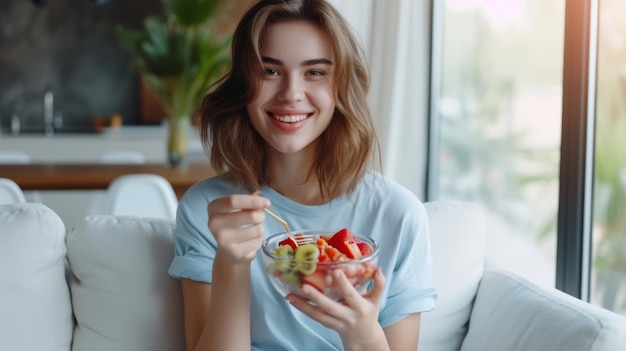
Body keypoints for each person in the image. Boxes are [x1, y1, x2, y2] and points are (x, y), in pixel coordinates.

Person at [168, 0, 438, 350]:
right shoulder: (209, 210)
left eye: (315, 72)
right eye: (270, 71)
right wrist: (231, 265)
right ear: (243, 86)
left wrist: (364, 336)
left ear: (341, 87)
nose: (291, 94)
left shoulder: (399, 215)